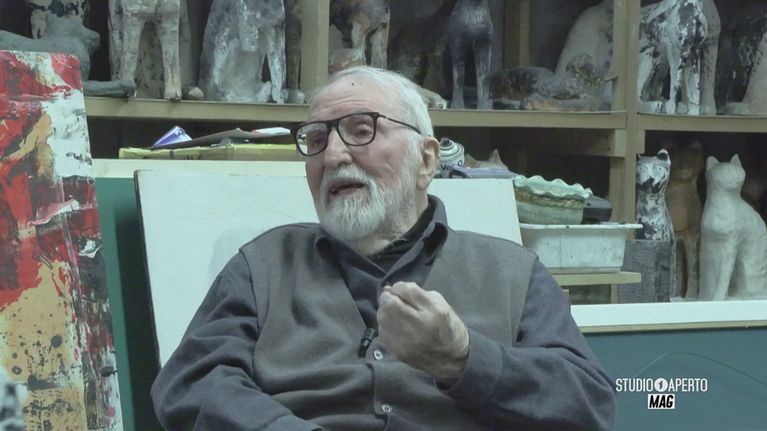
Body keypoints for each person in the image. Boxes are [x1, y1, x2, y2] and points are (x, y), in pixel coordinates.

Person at [151, 66, 616, 430]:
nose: (333, 155)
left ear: (426, 160)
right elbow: (192, 383)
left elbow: (588, 405)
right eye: (317, 139)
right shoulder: (262, 267)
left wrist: (463, 358)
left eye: (361, 130)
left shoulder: (512, 273)